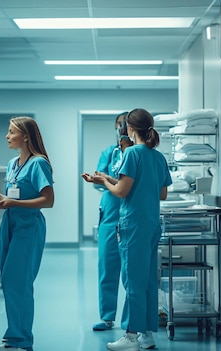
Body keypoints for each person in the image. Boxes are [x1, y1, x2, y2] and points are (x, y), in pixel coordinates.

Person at [82, 108, 172, 351]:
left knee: (132, 280)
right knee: (147, 281)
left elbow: (122, 191)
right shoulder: (157, 157)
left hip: (132, 225)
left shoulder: (132, 153)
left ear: (130, 130)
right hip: (152, 223)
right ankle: (147, 334)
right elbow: (162, 193)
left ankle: (131, 336)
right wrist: (110, 181)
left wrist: (103, 181)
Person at [0, 116, 54, 351]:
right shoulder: (13, 163)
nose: (7, 136)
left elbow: (48, 200)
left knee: (19, 282)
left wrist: (11, 204)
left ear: (25, 135)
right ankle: (14, 334)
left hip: (28, 227)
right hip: (9, 225)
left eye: (11, 132)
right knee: (9, 281)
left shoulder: (38, 163)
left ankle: (22, 339)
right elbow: (12, 197)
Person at [86, 112, 133, 331]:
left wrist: (108, 181)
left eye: (125, 124)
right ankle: (107, 316)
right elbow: (99, 179)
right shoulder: (109, 153)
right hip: (109, 215)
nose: (122, 128)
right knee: (107, 267)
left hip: (131, 216)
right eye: (119, 125)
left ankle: (131, 321)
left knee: (131, 271)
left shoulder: (137, 154)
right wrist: (106, 181)